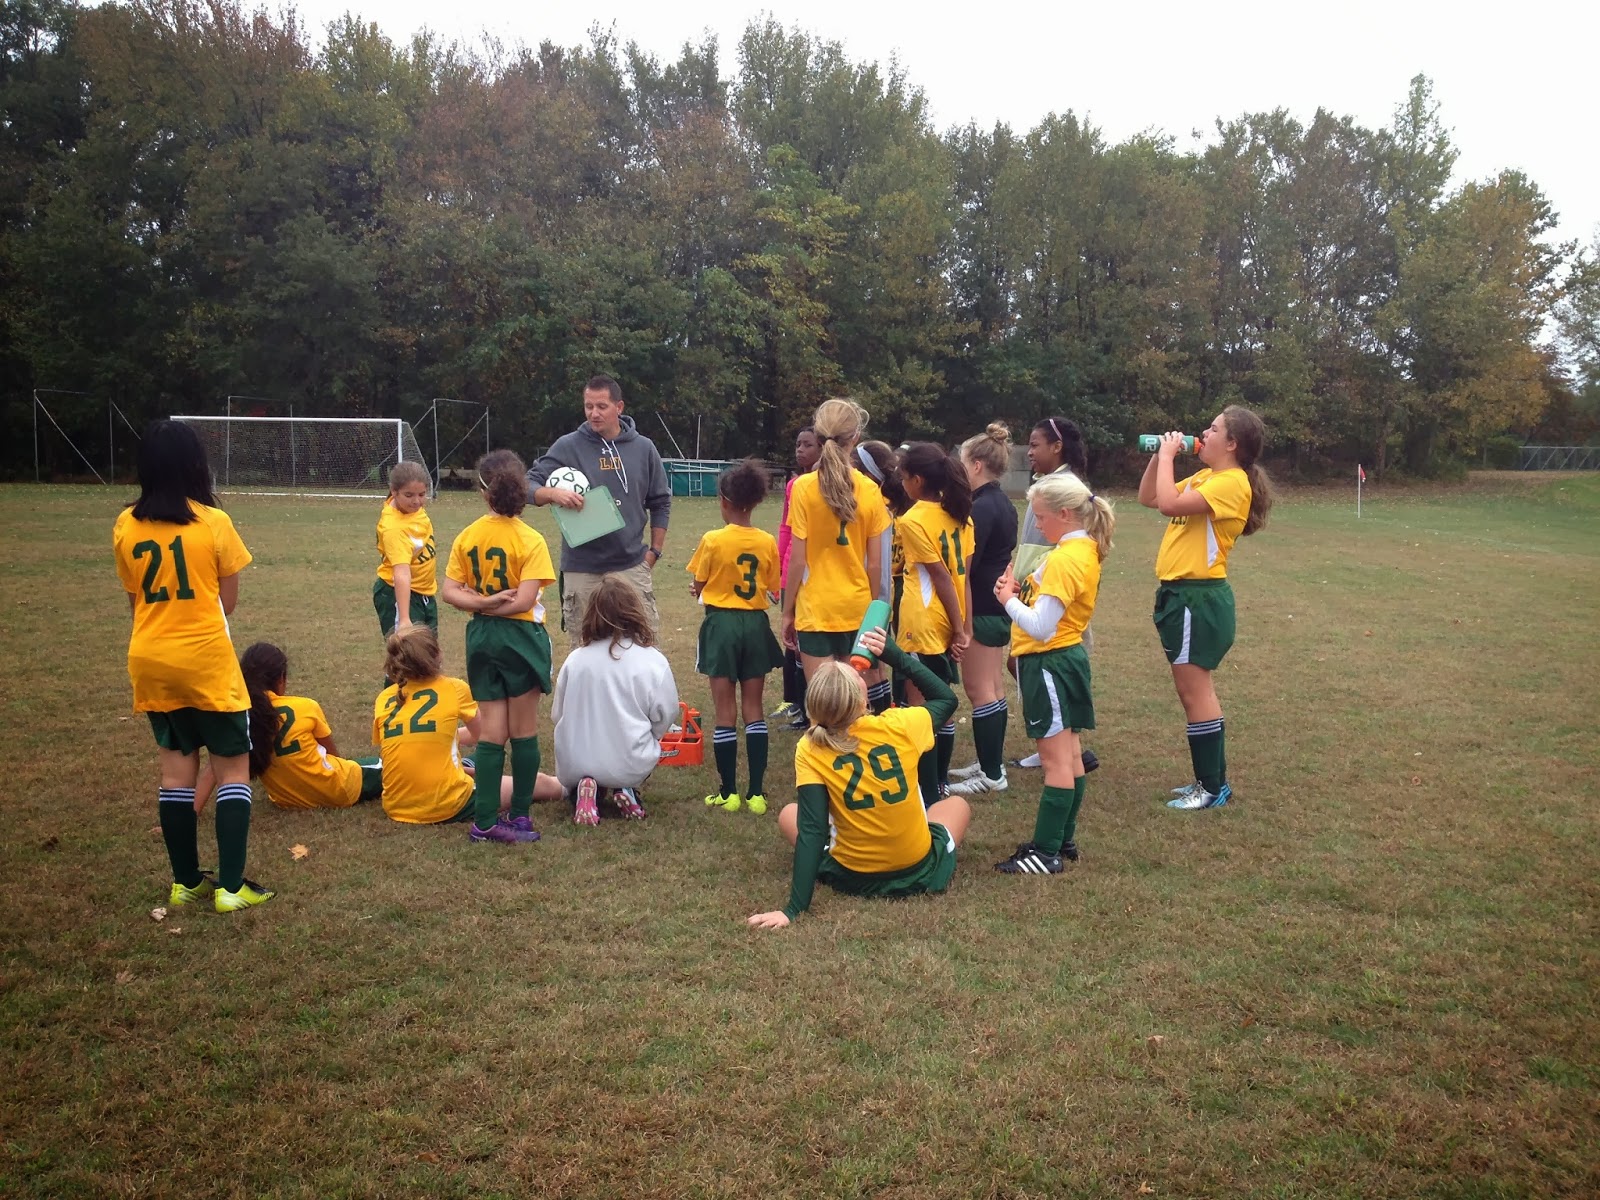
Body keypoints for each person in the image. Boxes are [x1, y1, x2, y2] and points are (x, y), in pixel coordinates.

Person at [113, 419, 273, 912]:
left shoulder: (125, 524)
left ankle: (185, 882)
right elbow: (227, 602)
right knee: (232, 772)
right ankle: (230, 888)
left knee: (176, 776)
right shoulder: (213, 523)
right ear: (195, 466)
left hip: (151, 659)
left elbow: (135, 600)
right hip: (205, 662)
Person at [746, 627, 972, 928]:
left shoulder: (810, 746)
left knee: (790, 813)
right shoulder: (899, 724)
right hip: (917, 871)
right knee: (956, 805)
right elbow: (945, 699)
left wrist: (793, 909)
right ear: (863, 700)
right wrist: (894, 655)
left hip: (851, 876)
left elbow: (812, 829)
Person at [1137, 406, 1272, 810]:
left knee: (1195, 691)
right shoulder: (1207, 477)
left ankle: (1211, 787)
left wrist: (1166, 458)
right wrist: (1159, 455)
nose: (1203, 433)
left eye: (1212, 429)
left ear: (1231, 444)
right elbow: (1150, 497)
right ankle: (1210, 783)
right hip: (1183, 597)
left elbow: (1169, 506)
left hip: (1199, 598)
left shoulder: (1232, 483)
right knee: (1192, 690)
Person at [992, 472, 1115, 874]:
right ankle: (1061, 839)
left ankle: (1045, 853)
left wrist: (1007, 600)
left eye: (1041, 518)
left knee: (1056, 761)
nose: (1037, 524)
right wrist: (1017, 586)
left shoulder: (1066, 558)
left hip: (1051, 662)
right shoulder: (1075, 551)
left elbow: (1043, 625)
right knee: (1071, 756)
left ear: (1065, 514)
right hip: (1063, 660)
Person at [441, 450, 556, 845]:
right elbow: (524, 601)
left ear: (482, 491)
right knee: (523, 731)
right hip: (520, 638)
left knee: (491, 731)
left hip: (482, 638)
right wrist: (496, 602)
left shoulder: (469, 535)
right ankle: (520, 815)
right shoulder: (530, 539)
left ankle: (485, 821)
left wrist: (481, 603)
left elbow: (449, 591)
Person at [527, 374, 672, 642]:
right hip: (582, 569)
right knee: (585, 650)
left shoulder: (643, 448)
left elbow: (661, 501)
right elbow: (526, 485)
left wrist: (654, 553)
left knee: (642, 647)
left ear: (619, 407)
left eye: (601, 406)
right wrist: (552, 493)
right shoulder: (568, 446)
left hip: (630, 566)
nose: (594, 414)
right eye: (588, 406)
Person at [375, 626, 561, 827]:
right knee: (538, 782)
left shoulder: (384, 697)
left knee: (471, 761)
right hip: (446, 803)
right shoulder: (453, 688)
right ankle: (574, 788)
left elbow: (413, 741)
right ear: (437, 655)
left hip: (395, 805)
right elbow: (483, 735)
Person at [689, 461, 783, 814]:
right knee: (754, 709)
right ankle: (756, 793)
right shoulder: (767, 540)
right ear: (756, 502)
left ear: (724, 501)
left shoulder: (713, 539)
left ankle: (728, 792)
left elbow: (699, 583)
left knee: (724, 711)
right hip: (755, 625)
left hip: (722, 626)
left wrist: (698, 588)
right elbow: (773, 589)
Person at [551, 575, 680, 824]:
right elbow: (665, 714)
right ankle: (626, 788)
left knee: (586, 763)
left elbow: (558, 714)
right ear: (634, 611)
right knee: (641, 744)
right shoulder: (652, 660)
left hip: (573, 763)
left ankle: (585, 790)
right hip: (629, 761)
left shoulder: (575, 659)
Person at [1012, 416, 1099, 775]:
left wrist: (1021, 585)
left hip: (1052, 593)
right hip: (1041, 587)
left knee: (1044, 662)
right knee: (1026, 663)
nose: (1029, 452)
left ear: (1057, 446)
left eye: (1035, 444)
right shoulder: (1048, 485)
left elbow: (1059, 547)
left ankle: (1062, 744)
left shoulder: (1061, 490)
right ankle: (1058, 742)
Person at [781, 398, 890, 678]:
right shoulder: (870, 490)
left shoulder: (803, 488)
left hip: (815, 609)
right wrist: (872, 611)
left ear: (818, 438)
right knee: (853, 705)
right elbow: (875, 565)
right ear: (856, 438)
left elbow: (797, 559)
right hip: (856, 608)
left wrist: (787, 611)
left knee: (823, 704)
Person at [893, 442, 975, 804]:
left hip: (923, 621)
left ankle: (926, 791)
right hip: (948, 618)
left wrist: (960, 630)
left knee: (921, 712)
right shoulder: (961, 515)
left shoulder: (911, 520)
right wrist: (963, 628)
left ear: (918, 480)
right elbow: (964, 578)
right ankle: (938, 782)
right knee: (942, 705)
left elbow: (941, 576)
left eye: (903, 476)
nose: (900, 481)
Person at [210, 642, 383, 810]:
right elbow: (334, 757)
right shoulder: (305, 706)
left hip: (285, 798)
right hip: (338, 790)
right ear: (281, 678)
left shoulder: (241, 715)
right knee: (386, 765)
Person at [948, 423, 1019, 797]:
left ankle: (992, 774)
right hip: (995, 604)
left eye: (961, 462)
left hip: (982, 606)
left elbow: (966, 564)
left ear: (976, 465)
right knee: (991, 686)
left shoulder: (982, 507)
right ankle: (990, 761)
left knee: (979, 689)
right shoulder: (1001, 501)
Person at [771, 427, 821, 729]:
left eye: (808, 445)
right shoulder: (794, 484)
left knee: (805, 644)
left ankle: (806, 706)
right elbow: (786, 528)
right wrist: (779, 567)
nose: (800, 449)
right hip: (792, 570)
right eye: (798, 444)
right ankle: (794, 701)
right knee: (792, 642)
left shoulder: (812, 485)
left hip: (811, 573)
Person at [854, 440, 909, 713]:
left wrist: (874, 598)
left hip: (869, 591)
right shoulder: (883, 502)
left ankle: (880, 714)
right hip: (881, 591)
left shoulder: (872, 502)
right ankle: (884, 710)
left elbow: (872, 560)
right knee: (876, 663)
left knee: (869, 664)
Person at [372, 461, 437, 639]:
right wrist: (404, 619)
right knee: (409, 658)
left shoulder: (414, 509)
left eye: (422, 494)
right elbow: (401, 573)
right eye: (409, 495)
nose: (417, 501)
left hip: (424, 594)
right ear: (394, 491)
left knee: (430, 654)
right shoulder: (394, 528)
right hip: (399, 595)